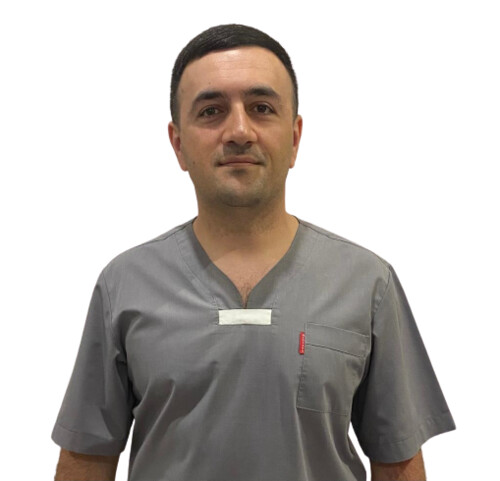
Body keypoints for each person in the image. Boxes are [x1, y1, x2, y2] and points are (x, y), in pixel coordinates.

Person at [52, 24, 456, 481]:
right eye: (211, 111)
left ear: (295, 137)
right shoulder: (124, 284)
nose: (239, 131)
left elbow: (397, 462)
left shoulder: (367, 283)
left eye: (261, 108)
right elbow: (87, 459)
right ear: (178, 144)